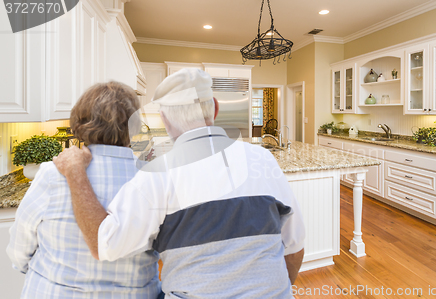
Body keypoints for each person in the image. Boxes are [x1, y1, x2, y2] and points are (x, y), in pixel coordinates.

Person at [53, 68, 306, 298]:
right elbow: (294, 248)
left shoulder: (157, 174)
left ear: (164, 118)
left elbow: (103, 244)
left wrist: (76, 172)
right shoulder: (262, 158)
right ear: (215, 108)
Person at [7, 82, 161, 298]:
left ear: (78, 122)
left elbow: (20, 245)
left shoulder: (53, 174)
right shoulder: (156, 179)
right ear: (135, 125)